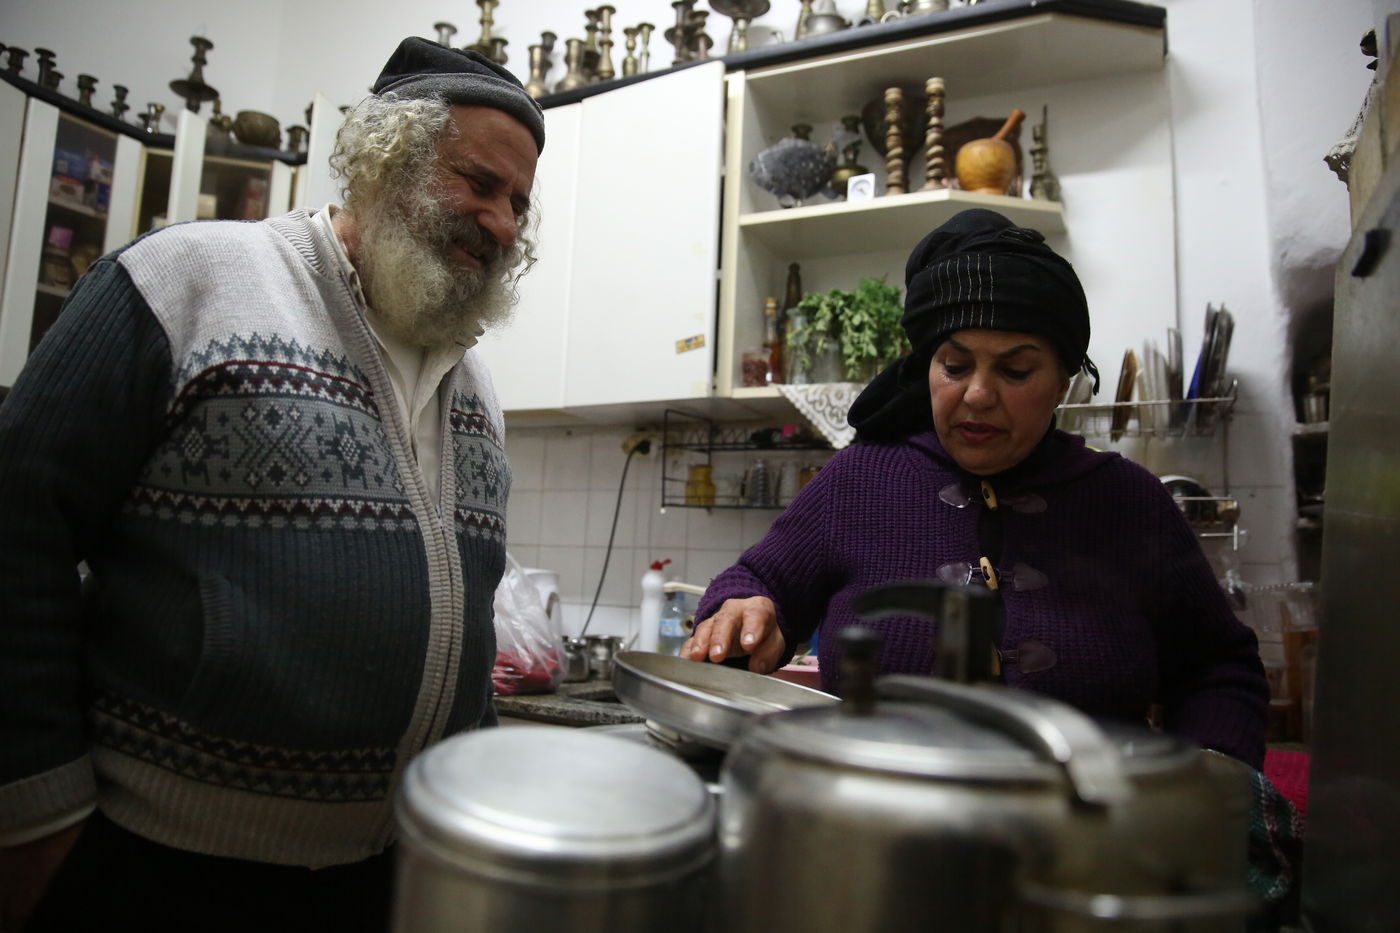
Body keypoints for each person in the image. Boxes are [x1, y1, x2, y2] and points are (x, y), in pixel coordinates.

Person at [0, 37, 544, 932]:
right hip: (162, 873)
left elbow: (461, 626)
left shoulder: (474, 382)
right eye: (479, 183)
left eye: (518, 202)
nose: (504, 224)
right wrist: (37, 810)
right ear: (388, 164)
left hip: (387, 877)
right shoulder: (188, 281)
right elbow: (18, 520)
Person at [682, 208, 1269, 770]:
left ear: (1063, 381)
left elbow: (1218, 668)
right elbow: (756, 581)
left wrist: (1214, 778)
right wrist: (744, 609)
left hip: (1088, 829)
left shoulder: (1129, 502)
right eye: (955, 366)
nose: (979, 395)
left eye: (1015, 371)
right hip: (878, 819)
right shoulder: (859, 481)